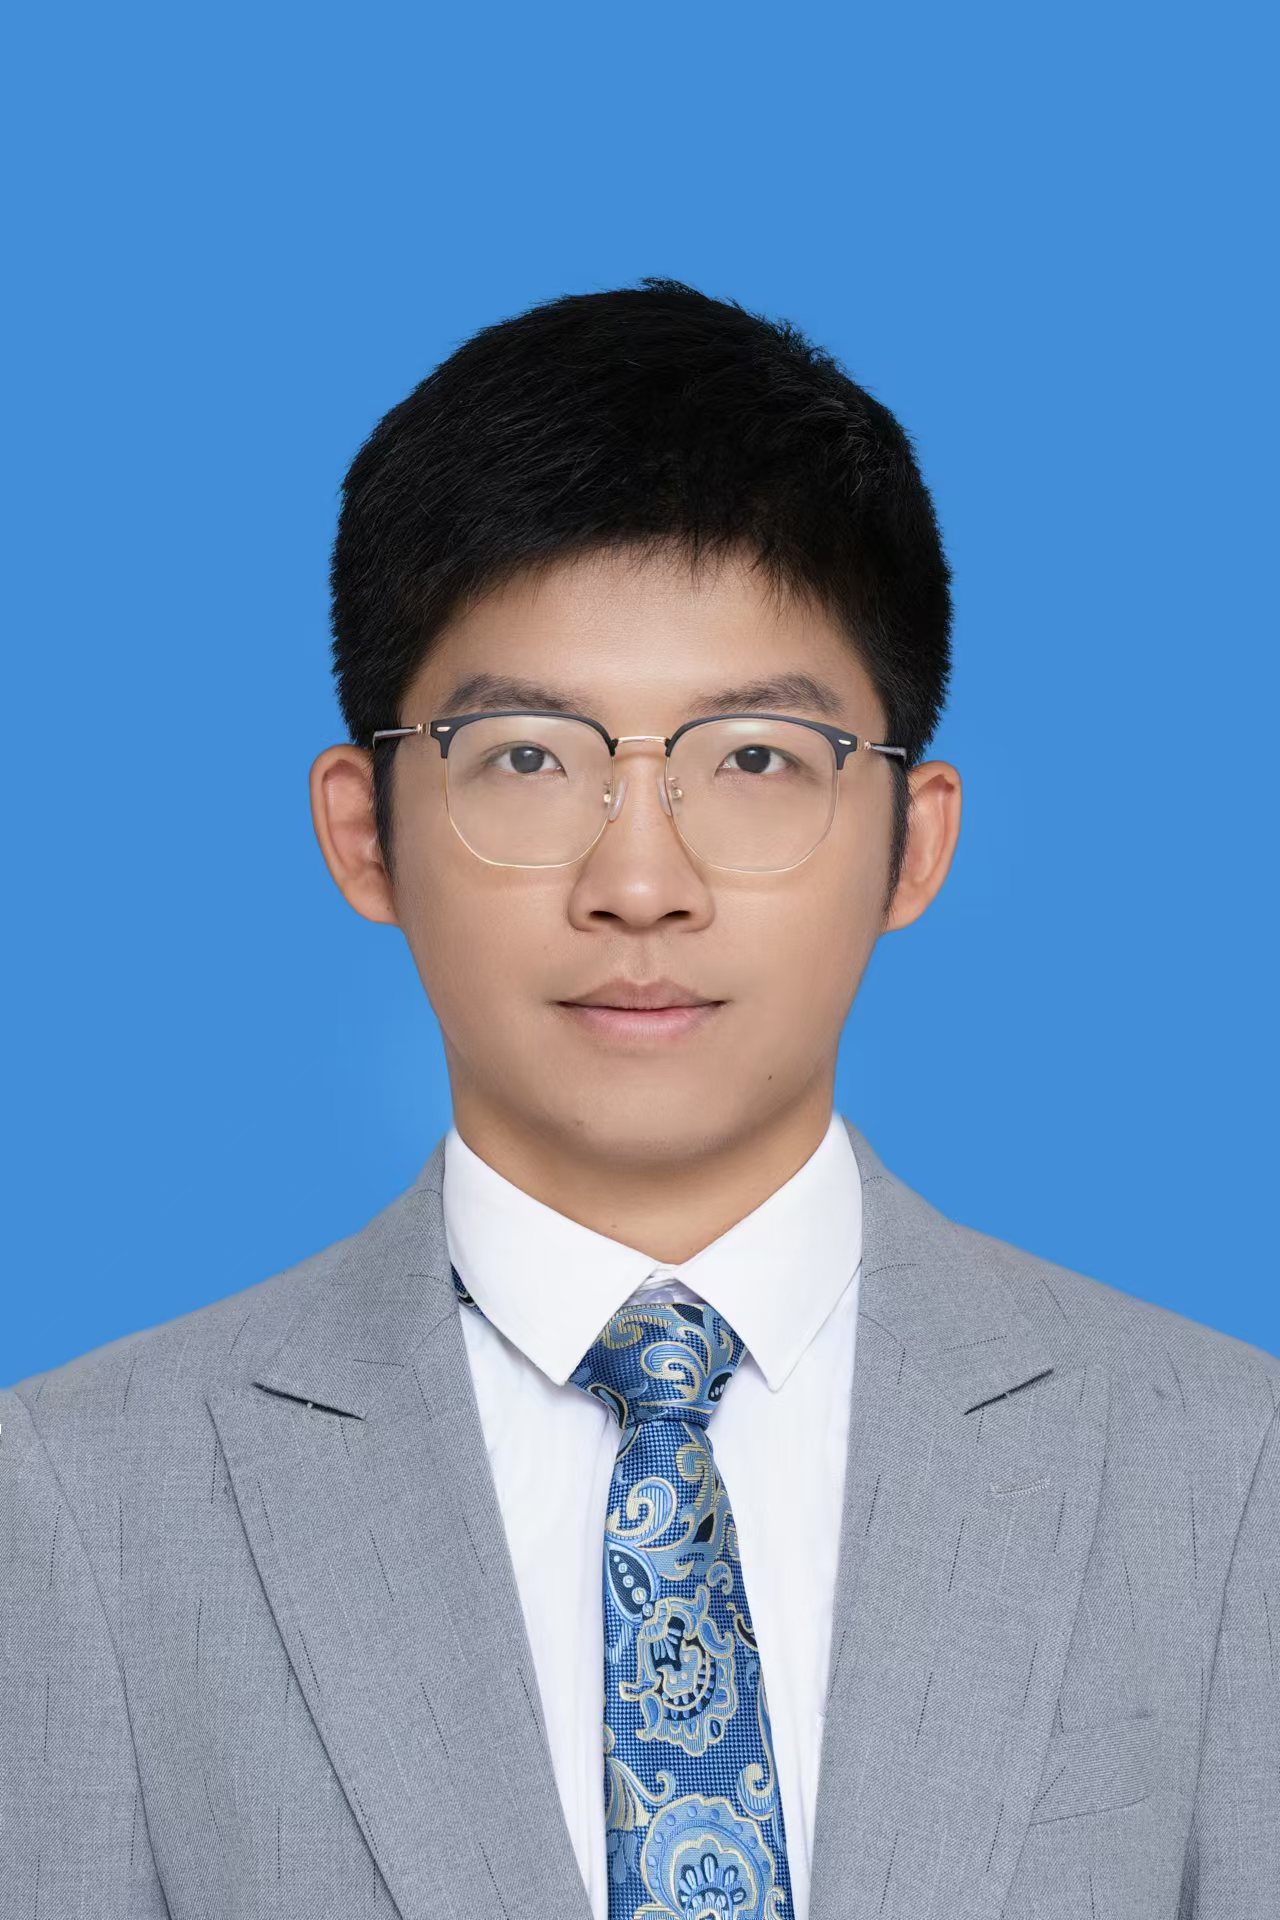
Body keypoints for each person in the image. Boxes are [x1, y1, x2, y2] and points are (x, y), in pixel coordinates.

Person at [2, 279, 1276, 1920]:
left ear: (917, 842)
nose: (641, 881)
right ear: (364, 834)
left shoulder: (1226, 1475)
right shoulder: (77, 1501)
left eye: (755, 758)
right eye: (530, 757)